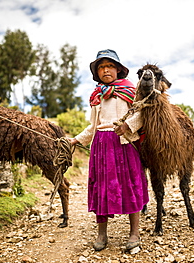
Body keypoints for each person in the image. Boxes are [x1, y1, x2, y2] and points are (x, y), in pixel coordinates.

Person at [68, 49, 149, 251]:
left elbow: (141, 115)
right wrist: (76, 140)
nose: (106, 70)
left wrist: (127, 127)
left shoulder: (130, 91)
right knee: (101, 188)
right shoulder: (97, 96)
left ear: (118, 70)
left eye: (110, 66)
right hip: (101, 146)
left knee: (131, 185)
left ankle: (134, 234)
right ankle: (102, 235)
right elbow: (93, 126)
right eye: (102, 67)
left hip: (124, 143)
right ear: (97, 72)